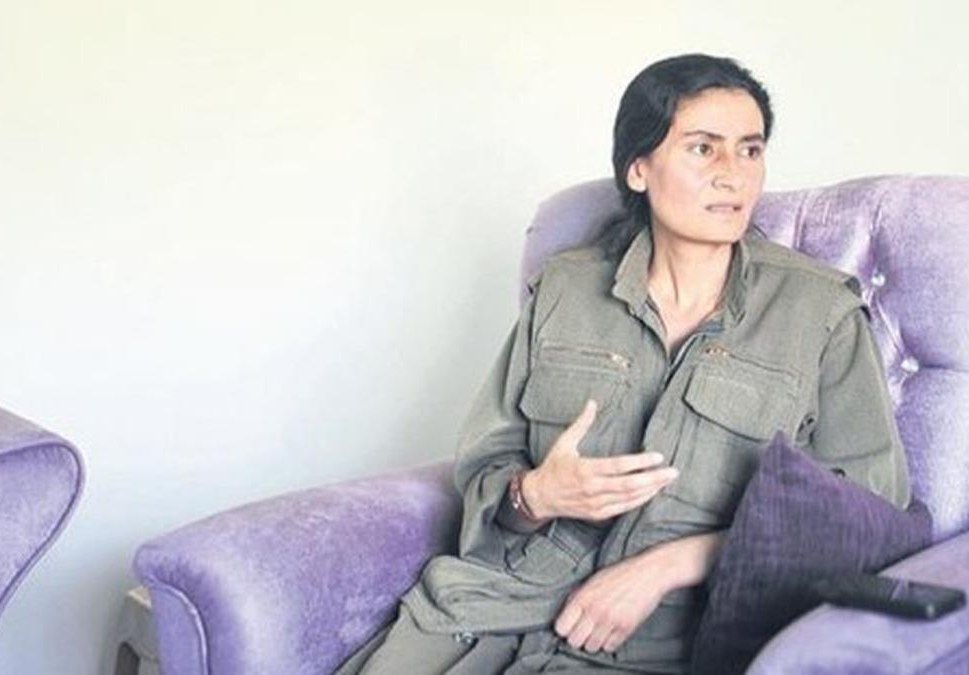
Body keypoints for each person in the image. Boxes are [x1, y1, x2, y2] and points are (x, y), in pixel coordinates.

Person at [335, 53, 911, 675]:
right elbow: (488, 458)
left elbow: (867, 512)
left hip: (663, 638)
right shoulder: (565, 288)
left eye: (750, 150)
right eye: (703, 148)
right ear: (638, 169)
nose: (733, 175)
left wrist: (674, 564)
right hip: (487, 607)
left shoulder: (820, 312)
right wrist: (536, 494)